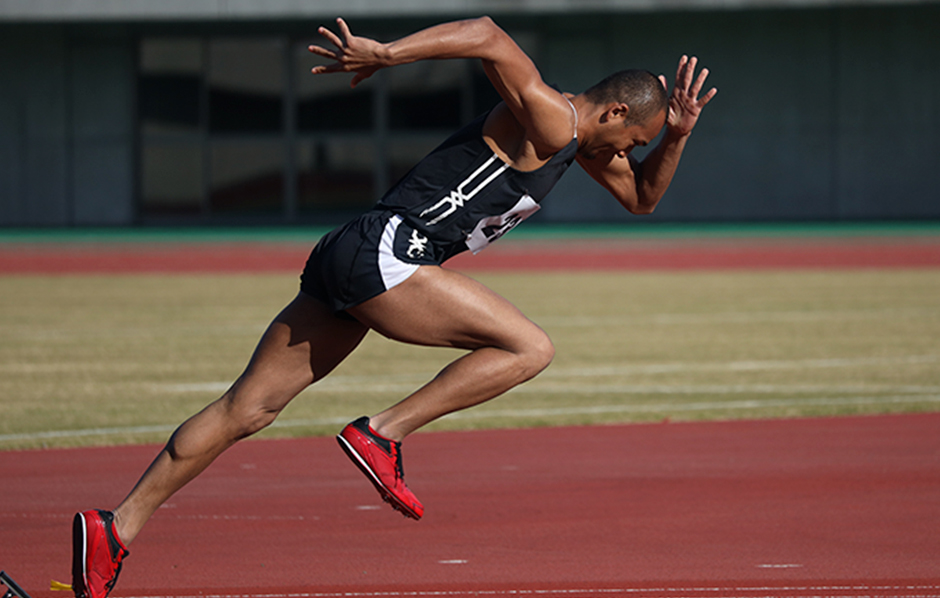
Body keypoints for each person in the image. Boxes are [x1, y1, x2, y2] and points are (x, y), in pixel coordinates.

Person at [70, 15, 716, 598]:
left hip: (354, 250)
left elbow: (643, 200)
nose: (630, 154)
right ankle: (381, 433)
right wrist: (388, 54)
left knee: (250, 408)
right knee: (529, 348)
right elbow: (489, 34)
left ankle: (116, 526)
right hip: (391, 252)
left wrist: (676, 136)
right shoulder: (552, 120)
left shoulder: (580, 144)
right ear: (611, 116)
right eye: (635, 139)